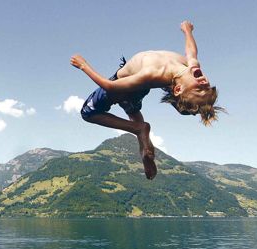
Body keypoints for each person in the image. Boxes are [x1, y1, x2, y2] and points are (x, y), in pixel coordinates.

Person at [70, 20, 222, 179]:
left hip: (121, 86)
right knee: (132, 110)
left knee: (88, 112)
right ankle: (144, 144)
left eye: (199, 89)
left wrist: (83, 65)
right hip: (138, 89)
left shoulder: (153, 74)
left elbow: (110, 86)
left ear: (178, 89)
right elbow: (191, 51)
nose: (204, 84)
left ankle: (138, 128)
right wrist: (188, 31)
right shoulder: (191, 66)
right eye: (207, 87)